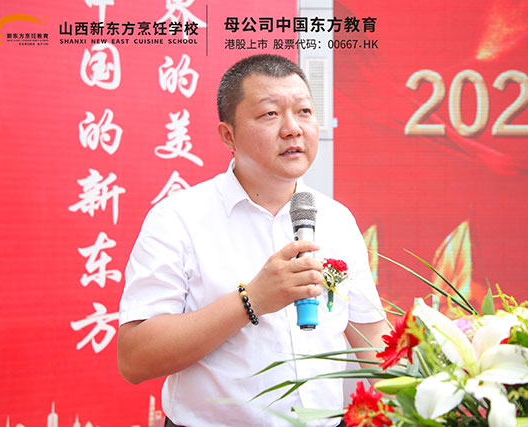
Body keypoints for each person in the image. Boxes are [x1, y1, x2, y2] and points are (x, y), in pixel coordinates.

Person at [117, 54, 389, 427]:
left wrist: (447, 389)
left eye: (304, 112)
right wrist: (253, 300)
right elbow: (135, 358)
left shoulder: (337, 219)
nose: (293, 129)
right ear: (228, 135)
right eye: (269, 114)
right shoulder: (177, 219)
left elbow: (371, 338)